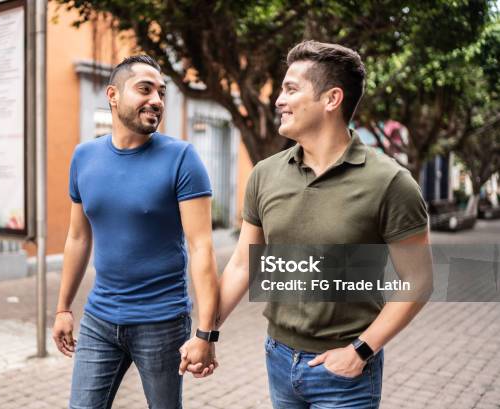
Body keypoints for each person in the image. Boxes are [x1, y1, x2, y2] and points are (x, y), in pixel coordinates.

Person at [180, 40, 432, 408]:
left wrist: (361, 351)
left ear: (331, 99)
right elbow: (241, 263)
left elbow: (419, 280)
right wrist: (206, 332)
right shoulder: (265, 175)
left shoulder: (390, 183)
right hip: (279, 359)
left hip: (346, 372)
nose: (279, 100)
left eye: (291, 89)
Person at [53, 54, 219, 409]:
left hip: (161, 322)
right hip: (99, 318)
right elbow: (78, 237)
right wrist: (63, 308)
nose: (156, 100)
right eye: (145, 89)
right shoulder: (84, 157)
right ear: (112, 95)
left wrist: (206, 333)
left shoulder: (182, 158)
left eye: (161, 92)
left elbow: (201, 247)